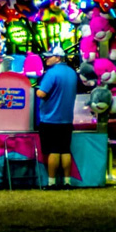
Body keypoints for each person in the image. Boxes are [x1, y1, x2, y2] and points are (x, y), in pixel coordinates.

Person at [35, 45, 79, 189]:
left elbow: (42, 93)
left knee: (53, 151)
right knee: (65, 150)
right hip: (67, 119)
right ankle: (67, 181)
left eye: (50, 56)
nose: (46, 59)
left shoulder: (51, 73)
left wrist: (36, 90)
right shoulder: (72, 72)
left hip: (50, 119)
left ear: (58, 57)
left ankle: (51, 182)